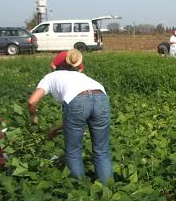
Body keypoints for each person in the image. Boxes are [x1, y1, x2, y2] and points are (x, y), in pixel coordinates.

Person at [27, 49, 113, 183]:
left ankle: (80, 189)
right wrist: (55, 129)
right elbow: (76, 117)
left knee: (74, 151)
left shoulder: (50, 77)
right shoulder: (82, 77)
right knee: (102, 150)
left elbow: (32, 101)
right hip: (101, 97)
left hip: (77, 100)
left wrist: (34, 117)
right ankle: (108, 190)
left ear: (56, 65)